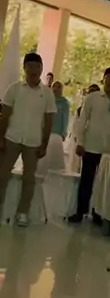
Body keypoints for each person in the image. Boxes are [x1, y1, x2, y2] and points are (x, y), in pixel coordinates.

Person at [0, 52, 56, 226]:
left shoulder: (47, 94)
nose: (33, 70)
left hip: (33, 142)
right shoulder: (14, 89)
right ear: (24, 68)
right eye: (30, 66)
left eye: (37, 67)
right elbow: (4, 116)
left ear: (41, 69)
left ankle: (22, 213)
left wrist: (44, 144)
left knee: (29, 179)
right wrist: (0, 138)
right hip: (11, 138)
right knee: (2, 175)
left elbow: (49, 121)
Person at [68, 67, 110, 224]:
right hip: (91, 146)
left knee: (104, 183)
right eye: (109, 78)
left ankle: (98, 213)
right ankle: (80, 211)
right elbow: (82, 120)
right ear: (104, 79)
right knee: (86, 180)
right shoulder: (92, 98)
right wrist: (80, 142)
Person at [37, 80, 70, 173]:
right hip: (45, 132)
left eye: (59, 87)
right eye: (54, 86)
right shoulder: (47, 100)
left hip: (57, 133)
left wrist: (63, 132)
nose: (56, 89)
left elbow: (65, 118)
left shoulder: (64, 103)